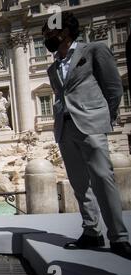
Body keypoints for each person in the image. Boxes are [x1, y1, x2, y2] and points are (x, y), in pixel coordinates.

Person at [43, 12, 131, 259]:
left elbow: (113, 87)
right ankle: (92, 231)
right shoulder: (53, 67)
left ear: (66, 31)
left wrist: (105, 118)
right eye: (45, 34)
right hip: (65, 127)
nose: (46, 37)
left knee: (104, 179)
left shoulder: (93, 50)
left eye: (50, 32)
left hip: (90, 123)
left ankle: (119, 237)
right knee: (80, 184)